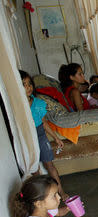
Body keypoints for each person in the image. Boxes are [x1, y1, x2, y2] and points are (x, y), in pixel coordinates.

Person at [20, 70, 69, 200]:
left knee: (50, 165)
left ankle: (61, 192)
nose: (29, 87)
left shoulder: (38, 103)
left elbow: (43, 122)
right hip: (28, 139)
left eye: (30, 84)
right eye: (24, 84)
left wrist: (56, 137)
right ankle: (44, 197)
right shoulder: (18, 106)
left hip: (40, 135)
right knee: (35, 170)